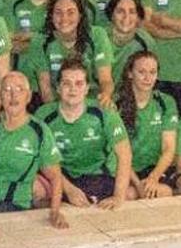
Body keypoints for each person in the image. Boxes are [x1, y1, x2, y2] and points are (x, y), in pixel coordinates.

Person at [35, 59, 134, 209]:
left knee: (124, 198)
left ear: (87, 88)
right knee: (37, 192)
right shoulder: (44, 115)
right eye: (67, 83)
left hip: (96, 174)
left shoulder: (103, 112)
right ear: (58, 88)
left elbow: (124, 154)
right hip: (60, 175)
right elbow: (43, 160)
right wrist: (68, 189)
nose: (72, 89)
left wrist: (118, 197)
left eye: (79, 83)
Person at [0, 72, 68, 228]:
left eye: (19, 89)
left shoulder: (38, 131)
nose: (13, 95)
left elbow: (56, 177)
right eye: (7, 90)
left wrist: (55, 212)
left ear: (29, 96)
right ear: (0, 96)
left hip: (13, 206)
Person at [24, 0, 114, 106]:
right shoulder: (40, 41)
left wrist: (105, 97)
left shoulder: (97, 35)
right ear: (51, 15)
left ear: (80, 15)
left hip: (92, 102)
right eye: (58, 12)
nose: (64, 18)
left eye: (70, 12)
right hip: (57, 105)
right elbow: (46, 90)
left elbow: (106, 81)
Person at [114, 51, 177, 199]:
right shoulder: (116, 104)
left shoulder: (166, 102)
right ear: (130, 74)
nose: (147, 78)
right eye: (141, 72)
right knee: (130, 194)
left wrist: (153, 178)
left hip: (154, 168)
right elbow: (118, 154)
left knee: (162, 192)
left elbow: (169, 148)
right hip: (126, 168)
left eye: (152, 72)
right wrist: (137, 184)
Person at [107, 0, 156, 81]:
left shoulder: (146, 43)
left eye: (132, 12)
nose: (126, 17)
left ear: (138, 16)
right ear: (112, 15)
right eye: (120, 11)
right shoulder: (98, 38)